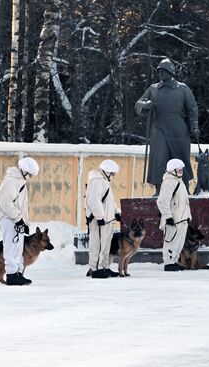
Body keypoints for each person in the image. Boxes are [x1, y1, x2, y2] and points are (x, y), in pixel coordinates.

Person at [135, 58, 199, 195]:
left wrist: (194, 126)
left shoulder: (182, 89)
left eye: (164, 71)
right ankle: (159, 189)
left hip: (178, 129)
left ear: (171, 72)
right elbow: (139, 103)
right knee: (159, 157)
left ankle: (184, 188)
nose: (161, 74)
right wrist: (144, 105)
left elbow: (192, 109)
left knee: (180, 157)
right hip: (159, 127)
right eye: (159, 71)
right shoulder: (153, 89)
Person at [0, 157, 39, 286]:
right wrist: (19, 219)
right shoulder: (12, 181)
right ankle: (11, 274)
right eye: (30, 174)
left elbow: (20, 205)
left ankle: (17, 273)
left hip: (14, 218)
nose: (30, 177)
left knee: (18, 246)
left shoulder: (19, 181)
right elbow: (6, 203)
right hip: (8, 218)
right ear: (24, 171)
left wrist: (23, 222)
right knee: (11, 246)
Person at [85, 159, 122, 278]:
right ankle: (95, 269)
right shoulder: (96, 181)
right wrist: (100, 216)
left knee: (105, 245)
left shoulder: (104, 182)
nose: (113, 176)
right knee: (98, 244)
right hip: (100, 220)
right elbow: (93, 200)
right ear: (106, 171)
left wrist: (116, 212)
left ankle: (104, 267)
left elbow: (109, 200)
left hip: (107, 220)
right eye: (112, 173)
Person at [156, 159, 192, 271]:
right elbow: (162, 201)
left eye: (182, 170)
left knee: (179, 243)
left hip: (182, 219)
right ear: (172, 170)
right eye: (179, 170)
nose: (181, 172)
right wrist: (168, 216)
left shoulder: (179, 182)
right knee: (171, 241)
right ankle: (168, 262)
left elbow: (185, 201)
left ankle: (174, 261)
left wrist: (188, 216)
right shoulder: (168, 183)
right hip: (173, 219)